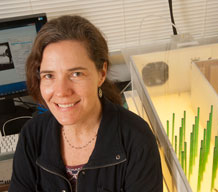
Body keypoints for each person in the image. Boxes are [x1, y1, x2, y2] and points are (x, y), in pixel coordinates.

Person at [9, 15, 163, 192]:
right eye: (49, 76)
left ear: (101, 73)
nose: (61, 91)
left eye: (76, 74)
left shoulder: (137, 140)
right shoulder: (32, 135)